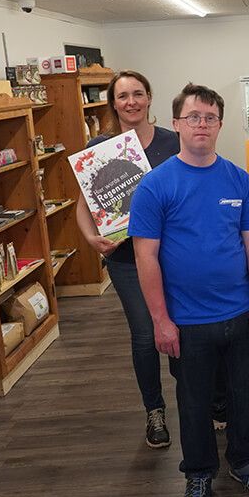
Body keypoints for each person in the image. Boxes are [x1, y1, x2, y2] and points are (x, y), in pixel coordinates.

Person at [129, 83, 249, 497]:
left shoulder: (237, 179)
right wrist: (160, 321)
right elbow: (145, 257)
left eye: (210, 118)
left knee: (246, 398)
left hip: (241, 314)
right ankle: (198, 473)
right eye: (193, 117)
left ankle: (245, 462)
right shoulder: (155, 186)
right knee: (193, 404)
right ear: (175, 124)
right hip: (186, 321)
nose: (202, 125)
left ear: (219, 125)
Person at [76, 70, 180, 450]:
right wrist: (91, 238)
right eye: (123, 96)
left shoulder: (173, 141)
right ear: (113, 103)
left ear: (149, 97)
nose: (131, 101)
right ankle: (154, 410)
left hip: (175, 253)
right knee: (145, 335)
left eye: (138, 93)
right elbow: (83, 206)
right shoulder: (99, 149)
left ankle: (203, 400)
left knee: (185, 326)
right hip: (125, 259)